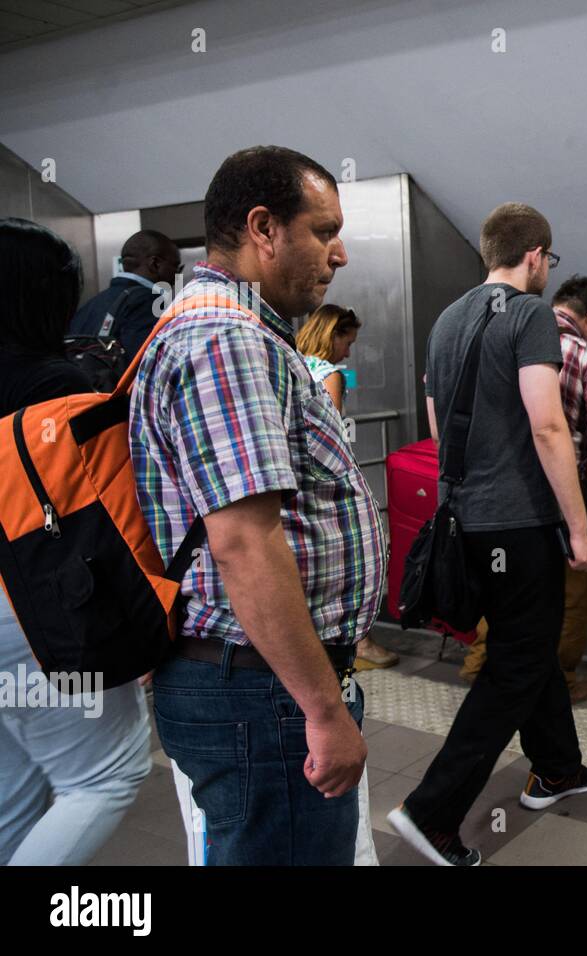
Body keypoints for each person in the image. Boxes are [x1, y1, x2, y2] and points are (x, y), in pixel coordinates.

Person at [130, 146, 386, 865]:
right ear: (264, 228)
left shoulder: (236, 330)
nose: (339, 254)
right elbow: (244, 542)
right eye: (324, 230)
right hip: (257, 689)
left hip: (253, 681)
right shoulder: (226, 337)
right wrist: (323, 710)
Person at [389, 202, 587, 867]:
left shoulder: (448, 319)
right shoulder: (532, 315)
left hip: (466, 522)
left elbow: (436, 422)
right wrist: (579, 526)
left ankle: (559, 768)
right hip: (519, 520)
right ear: (535, 255)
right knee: (516, 660)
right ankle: (432, 812)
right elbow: (547, 427)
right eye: (550, 260)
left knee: (523, 643)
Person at [0, 217, 152, 864]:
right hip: (27, 613)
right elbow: (93, 516)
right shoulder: (53, 385)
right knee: (104, 777)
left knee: (16, 787)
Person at [458, 275, 587, 702]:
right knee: (574, 589)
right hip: (556, 491)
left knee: (504, 581)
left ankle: (481, 663)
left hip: (493, 491)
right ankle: (561, 679)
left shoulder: (498, 337)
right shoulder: (585, 355)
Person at [297, 303, 398, 670]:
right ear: (332, 335)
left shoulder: (293, 362)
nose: (349, 351)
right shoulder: (330, 373)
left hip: (296, 482)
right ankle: (360, 640)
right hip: (329, 483)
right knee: (353, 558)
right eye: (348, 342)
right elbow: (333, 436)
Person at [69, 229, 181, 362]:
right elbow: (145, 365)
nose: (178, 274)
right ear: (155, 264)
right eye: (176, 266)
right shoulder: (149, 303)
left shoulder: (89, 305)